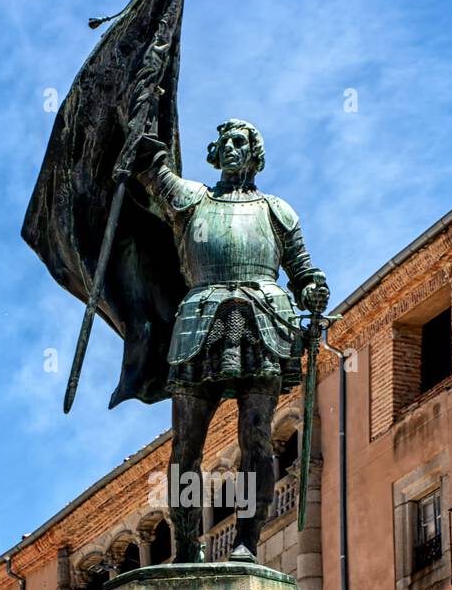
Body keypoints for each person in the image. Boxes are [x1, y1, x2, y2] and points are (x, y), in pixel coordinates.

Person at [134, 119, 329, 561]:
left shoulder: (278, 211)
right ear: (214, 153)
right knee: (186, 445)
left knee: (256, 437)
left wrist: (315, 289)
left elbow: (302, 271)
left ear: (255, 155)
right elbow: (151, 171)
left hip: (262, 319)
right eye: (225, 143)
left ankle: (246, 540)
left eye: (241, 142)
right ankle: (186, 542)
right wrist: (142, 124)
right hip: (200, 321)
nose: (233, 149)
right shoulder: (192, 200)